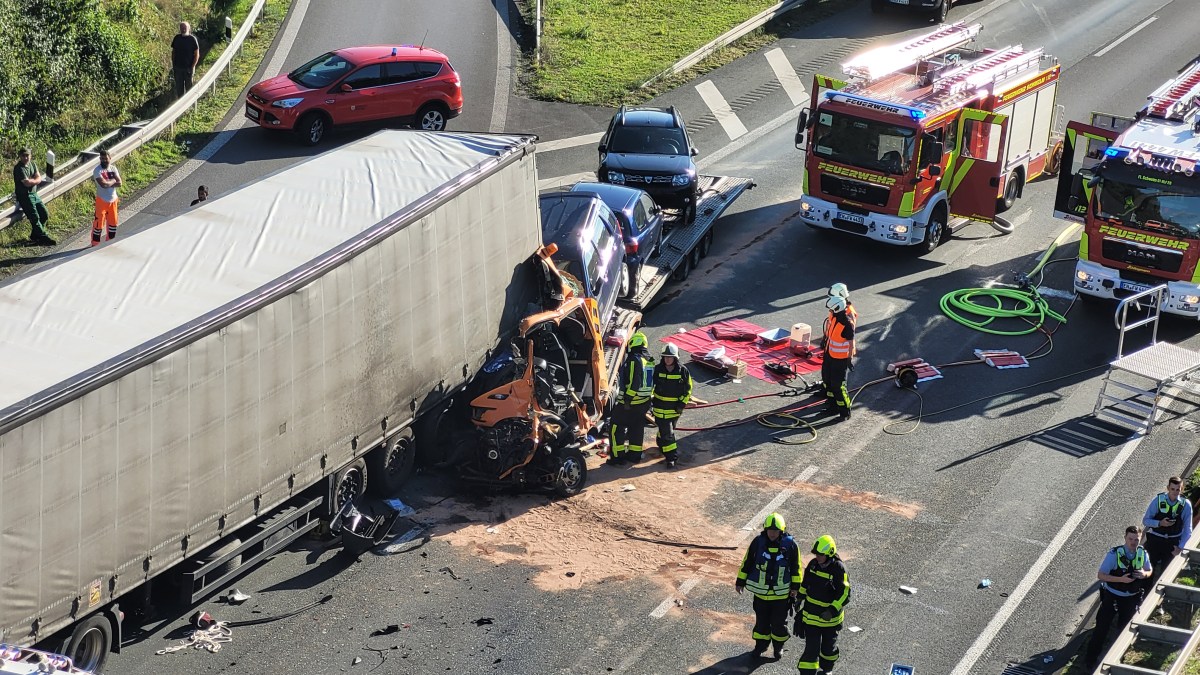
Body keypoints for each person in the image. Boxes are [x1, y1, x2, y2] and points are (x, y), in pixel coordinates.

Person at [736, 513, 802, 660]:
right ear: (765, 530)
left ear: (781, 531)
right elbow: (747, 562)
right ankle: (760, 646)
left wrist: (795, 588)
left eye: (775, 530)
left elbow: (796, 567)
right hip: (761, 595)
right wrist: (740, 581)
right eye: (770, 530)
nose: (772, 533)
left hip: (781, 596)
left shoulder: (791, 545)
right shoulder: (758, 543)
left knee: (779, 625)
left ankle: (778, 648)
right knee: (762, 624)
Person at [1084, 526, 1152, 669]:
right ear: (1125, 538)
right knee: (1101, 629)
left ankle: (1117, 660)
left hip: (1131, 598)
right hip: (1113, 596)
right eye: (1130, 539)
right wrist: (1121, 580)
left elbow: (1149, 569)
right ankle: (1090, 661)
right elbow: (1101, 575)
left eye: (1136, 540)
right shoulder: (1114, 554)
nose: (1133, 542)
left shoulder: (1142, 552)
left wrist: (1144, 574)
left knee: (1124, 631)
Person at [794, 535, 850, 675]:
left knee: (828, 650)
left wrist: (831, 610)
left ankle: (827, 669)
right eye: (816, 554)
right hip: (812, 617)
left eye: (821, 554)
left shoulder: (839, 569)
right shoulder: (813, 565)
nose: (818, 557)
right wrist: (799, 598)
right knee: (811, 649)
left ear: (829, 554)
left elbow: (845, 594)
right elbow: (805, 584)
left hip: (830, 621)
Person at [608, 331, 654, 466]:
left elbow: (635, 382)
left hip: (629, 403)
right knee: (636, 428)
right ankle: (634, 456)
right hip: (644, 402)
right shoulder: (650, 360)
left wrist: (627, 399)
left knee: (616, 427)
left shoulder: (634, 359)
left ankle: (617, 458)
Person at [1142, 477, 1193, 584]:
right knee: (1147, 570)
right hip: (1155, 540)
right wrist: (1160, 523)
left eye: (1178, 489)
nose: (1175, 492)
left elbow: (1188, 529)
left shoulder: (1186, 505)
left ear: (1182, 489)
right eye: (1172, 489)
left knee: (1166, 574)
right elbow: (1146, 521)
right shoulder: (1158, 500)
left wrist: (1180, 547)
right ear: (1168, 488)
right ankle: (1144, 593)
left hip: (1172, 543)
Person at [651, 343, 692, 468]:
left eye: (670, 357)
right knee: (668, 433)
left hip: (674, 409)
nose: (667, 359)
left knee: (667, 430)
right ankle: (671, 458)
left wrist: (682, 403)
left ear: (675, 358)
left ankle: (660, 441)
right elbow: (650, 386)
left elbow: (688, 389)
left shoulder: (683, 371)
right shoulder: (657, 369)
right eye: (665, 357)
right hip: (659, 408)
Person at [821, 296, 855, 421]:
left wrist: (849, 358)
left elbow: (851, 342)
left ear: (837, 308)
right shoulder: (834, 317)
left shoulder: (846, 324)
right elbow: (830, 332)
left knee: (838, 385)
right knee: (827, 381)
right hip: (829, 355)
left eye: (832, 309)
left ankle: (845, 410)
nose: (830, 311)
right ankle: (832, 406)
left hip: (840, 360)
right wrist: (824, 340)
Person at [12, 148, 55, 246]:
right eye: (23, 156)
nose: (26, 158)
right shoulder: (19, 168)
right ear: (20, 156)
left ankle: (35, 235)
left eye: (27, 155)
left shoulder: (32, 164)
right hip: (25, 196)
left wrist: (33, 181)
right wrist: (35, 181)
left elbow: (38, 177)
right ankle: (43, 237)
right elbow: (27, 183)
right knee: (34, 218)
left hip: (34, 194)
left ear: (30, 156)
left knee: (44, 214)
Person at [91, 150, 122, 246]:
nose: (104, 161)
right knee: (98, 225)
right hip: (102, 201)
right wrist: (113, 181)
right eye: (102, 159)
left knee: (113, 224)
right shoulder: (97, 170)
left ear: (110, 158)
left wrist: (110, 182)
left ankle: (109, 243)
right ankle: (95, 244)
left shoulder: (113, 168)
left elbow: (120, 183)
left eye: (106, 159)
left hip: (113, 201)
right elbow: (103, 185)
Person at [172, 22, 201, 98]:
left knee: (189, 88)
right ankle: (181, 106)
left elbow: (197, 54)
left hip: (188, 68)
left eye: (185, 27)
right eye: (181, 28)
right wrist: (174, 65)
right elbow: (173, 52)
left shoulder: (192, 39)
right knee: (179, 88)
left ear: (189, 28)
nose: (183, 29)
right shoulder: (177, 38)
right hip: (178, 68)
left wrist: (192, 66)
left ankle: (189, 104)